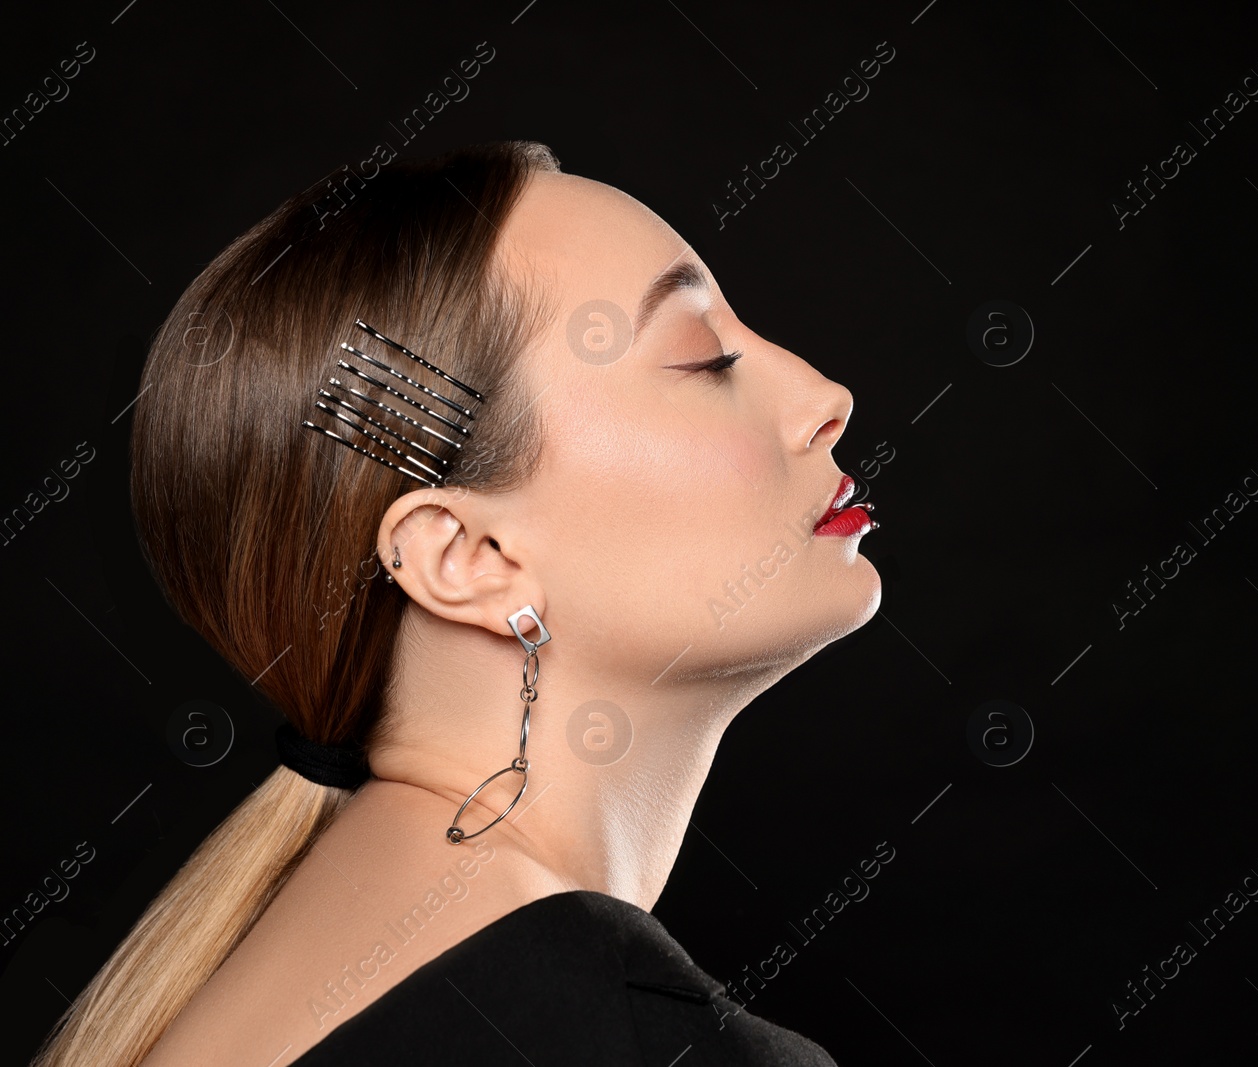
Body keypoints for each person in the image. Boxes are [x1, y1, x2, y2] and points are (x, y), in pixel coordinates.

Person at [31, 140, 882, 1066]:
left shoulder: (252, 974)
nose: (825, 397)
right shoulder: (619, 1032)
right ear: (469, 556)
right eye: (705, 356)